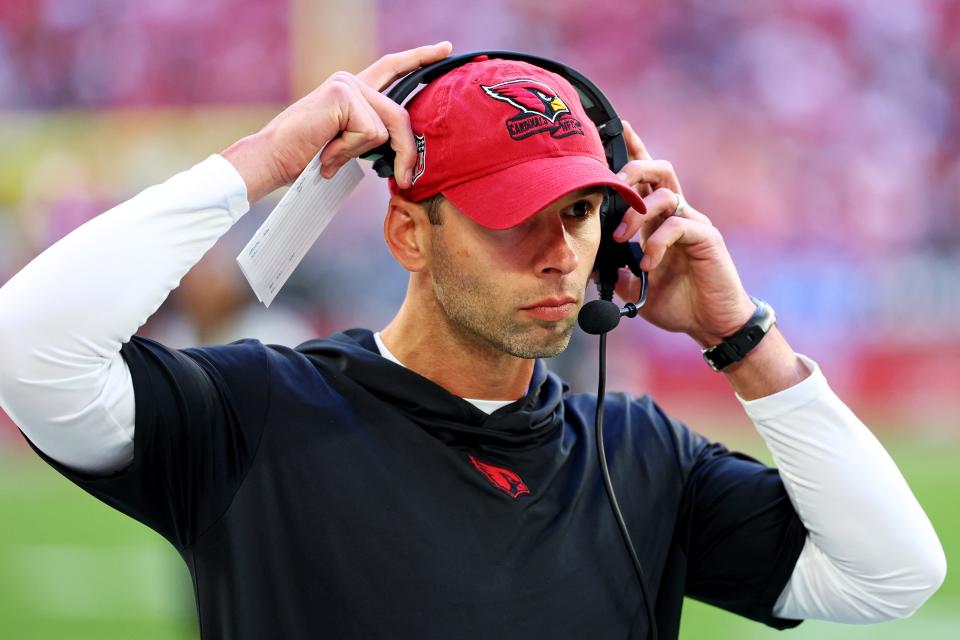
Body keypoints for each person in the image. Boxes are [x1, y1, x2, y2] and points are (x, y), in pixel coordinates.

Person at [0, 42, 946, 639]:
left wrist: (740, 339)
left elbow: (893, 574)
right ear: (409, 230)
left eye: (582, 212)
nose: (560, 253)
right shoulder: (256, 412)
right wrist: (266, 161)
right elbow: (26, 346)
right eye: (514, 215)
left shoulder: (643, 456)